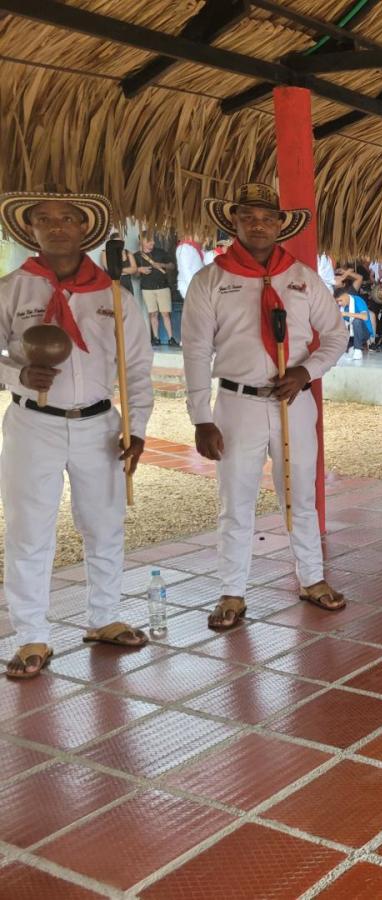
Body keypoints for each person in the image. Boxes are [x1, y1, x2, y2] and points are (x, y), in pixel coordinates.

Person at [0, 188, 154, 678]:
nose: (57, 226)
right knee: (29, 530)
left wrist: (138, 428)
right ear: (31, 228)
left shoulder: (114, 294)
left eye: (67, 217)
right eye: (45, 218)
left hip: (100, 425)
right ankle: (31, 635)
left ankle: (104, 617)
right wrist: (18, 375)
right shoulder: (11, 289)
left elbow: (137, 369)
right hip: (33, 423)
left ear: (84, 227)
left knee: (105, 523)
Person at [183, 182, 348, 631]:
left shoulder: (302, 277)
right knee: (236, 500)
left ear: (280, 224)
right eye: (248, 217)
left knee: (300, 495)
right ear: (233, 222)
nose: (258, 225)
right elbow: (195, 351)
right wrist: (201, 418)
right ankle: (232, 591)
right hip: (237, 403)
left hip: (293, 400)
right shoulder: (210, 280)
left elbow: (336, 335)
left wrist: (306, 371)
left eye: (267, 217)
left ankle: (312, 578)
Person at [134, 231, 177, 347]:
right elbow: (135, 274)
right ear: (142, 241)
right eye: (149, 241)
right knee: (152, 314)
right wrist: (139, 270)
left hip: (163, 287)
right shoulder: (136, 256)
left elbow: (172, 266)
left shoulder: (160, 252)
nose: (152, 243)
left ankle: (171, 338)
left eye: (152, 240)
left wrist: (161, 265)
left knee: (165, 314)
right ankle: (156, 338)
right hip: (147, 288)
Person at [337, 284, 372, 359]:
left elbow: (365, 317)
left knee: (356, 321)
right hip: (350, 335)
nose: (339, 303)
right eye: (338, 301)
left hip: (364, 333)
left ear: (346, 295)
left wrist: (345, 314)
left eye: (340, 300)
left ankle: (358, 350)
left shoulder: (357, 300)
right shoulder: (341, 306)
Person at [175, 234, 206, 305]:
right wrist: (194, 288)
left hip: (199, 285)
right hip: (190, 287)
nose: (203, 237)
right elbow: (185, 270)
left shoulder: (196, 247)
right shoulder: (184, 248)